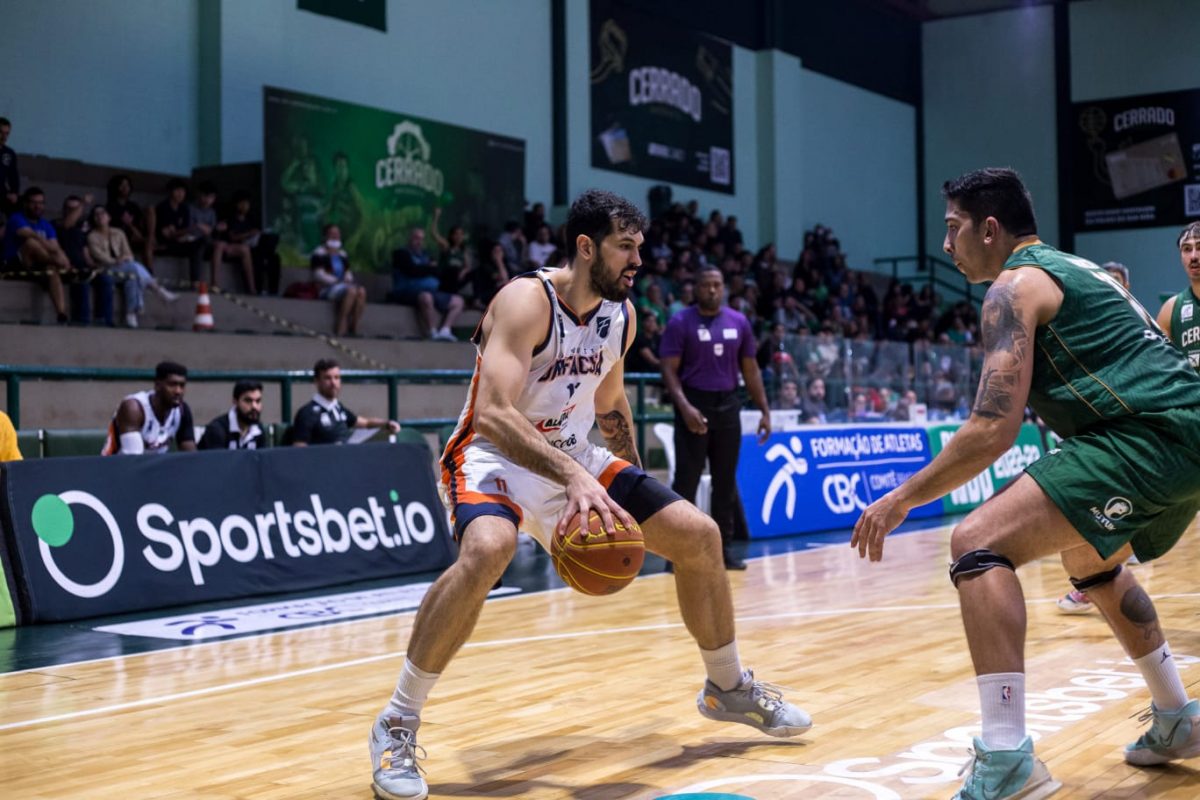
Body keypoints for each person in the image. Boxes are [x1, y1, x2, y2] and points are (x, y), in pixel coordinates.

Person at [368, 190, 811, 800]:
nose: (638, 261)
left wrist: (636, 492)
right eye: (625, 247)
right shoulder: (525, 301)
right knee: (489, 550)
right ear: (585, 247)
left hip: (576, 456)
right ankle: (396, 721)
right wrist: (572, 476)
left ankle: (727, 687)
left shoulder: (620, 316)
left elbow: (609, 403)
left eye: (640, 247)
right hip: (493, 457)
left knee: (700, 536)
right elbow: (493, 413)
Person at [852, 168, 1200, 800]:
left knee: (976, 543)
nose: (946, 246)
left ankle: (1007, 755)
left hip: (1148, 435)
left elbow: (992, 429)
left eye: (954, 228)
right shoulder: (1074, 267)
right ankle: (1177, 715)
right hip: (1181, 433)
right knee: (1090, 560)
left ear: (990, 228)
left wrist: (900, 499)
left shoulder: (1012, 287)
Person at [660, 265, 771, 571]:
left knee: (725, 483)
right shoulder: (680, 322)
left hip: (728, 405)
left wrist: (764, 409)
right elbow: (668, 369)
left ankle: (723, 552)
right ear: (696, 288)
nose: (712, 289)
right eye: (706, 284)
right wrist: (685, 407)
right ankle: (675, 555)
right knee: (686, 482)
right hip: (694, 404)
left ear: (724, 288)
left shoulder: (739, 321)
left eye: (717, 285)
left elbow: (751, 369)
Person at [87, 205, 178, 328]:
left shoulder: (118, 233)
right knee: (134, 268)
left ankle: (131, 315)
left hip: (124, 267)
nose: (99, 216)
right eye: (96, 215)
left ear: (109, 217)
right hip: (105, 269)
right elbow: (99, 256)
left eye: (102, 213)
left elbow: (128, 253)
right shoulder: (92, 236)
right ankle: (158, 289)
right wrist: (116, 261)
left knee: (133, 278)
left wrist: (124, 259)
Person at [290, 359, 399, 446]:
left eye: (337, 378)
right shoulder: (307, 413)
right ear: (317, 381)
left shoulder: (338, 408)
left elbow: (366, 423)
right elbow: (300, 449)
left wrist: (387, 424)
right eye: (327, 378)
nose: (333, 383)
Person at [2, 186, 71, 322]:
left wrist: (65, 259)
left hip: (38, 265)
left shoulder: (46, 225)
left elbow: (55, 247)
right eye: (34, 203)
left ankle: (61, 313)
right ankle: (59, 265)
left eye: (40, 203)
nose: (37, 206)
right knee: (31, 242)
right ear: (25, 204)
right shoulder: (16, 218)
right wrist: (45, 243)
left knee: (52, 270)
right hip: (15, 264)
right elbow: (27, 234)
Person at [101, 361, 197, 455]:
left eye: (182, 386)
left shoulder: (182, 410)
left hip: (154, 464)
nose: (178, 391)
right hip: (116, 464)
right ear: (157, 385)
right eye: (172, 385)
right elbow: (133, 459)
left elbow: (191, 456)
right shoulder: (134, 408)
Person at [391, 225, 464, 340]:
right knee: (426, 297)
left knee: (458, 301)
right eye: (416, 238)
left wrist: (430, 269)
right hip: (406, 291)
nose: (419, 242)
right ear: (409, 238)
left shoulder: (426, 255)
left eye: (421, 239)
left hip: (431, 291)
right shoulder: (401, 253)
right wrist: (430, 268)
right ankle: (432, 332)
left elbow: (438, 271)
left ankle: (445, 330)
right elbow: (412, 270)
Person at [53, 194, 116, 327]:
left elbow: (85, 250)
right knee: (82, 281)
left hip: (83, 267)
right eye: (70, 209)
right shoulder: (57, 224)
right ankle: (82, 321)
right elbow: (68, 223)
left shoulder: (81, 229)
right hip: (65, 267)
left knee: (106, 279)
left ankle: (103, 320)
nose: (74, 212)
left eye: (76, 209)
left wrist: (93, 265)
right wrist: (83, 203)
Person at [1156, 222, 1200, 372]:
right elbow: (1161, 368)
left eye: (1199, 247)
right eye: (1187, 249)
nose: (1194, 256)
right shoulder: (1170, 310)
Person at [310, 223, 367, 337]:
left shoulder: (342, 254)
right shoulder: (319, 252)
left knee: (361, 291)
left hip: (343, 286)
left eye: (337, 234)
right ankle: (342, 323)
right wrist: (337, 281)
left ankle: (354, 325)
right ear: (326, 236)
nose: (336, 236)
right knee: (352, 291)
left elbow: (348, 273)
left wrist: (347, 279)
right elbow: (318, 275)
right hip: (326, 288)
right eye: (332, 234)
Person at [148, 178, 204, 284]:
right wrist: (187, 230)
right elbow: (166, 233)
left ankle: (195, 280)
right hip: (164, 243)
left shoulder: (184, 208)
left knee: (200, 243)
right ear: (170, 191)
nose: (180, 194)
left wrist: (184, 233)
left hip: (179, 242)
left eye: (183, 191)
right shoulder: (162, 207)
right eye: (177, 190)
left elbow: (181, 231)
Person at [211, 190, 258, 295]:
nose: (245, 206)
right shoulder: (230, 217)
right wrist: (249, 234)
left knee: (246, 249)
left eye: (247, 203)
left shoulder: (250, 219)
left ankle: (252, 288)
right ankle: (214, 283)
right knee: (219, 245)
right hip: (225, 245)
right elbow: (232, 237)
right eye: (242, 203)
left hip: (241, 247)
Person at [199, 380, 266, 450]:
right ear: (235, 402)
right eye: (248, 401)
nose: (254, 406)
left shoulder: (258, 429)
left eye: (258, 401)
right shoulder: (217, 429)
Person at [0, 117, 18, 213]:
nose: (4, 137)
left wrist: (14, 192)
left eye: (7, 133)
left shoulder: (9, 154)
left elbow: (13, 176)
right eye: (1, 132)